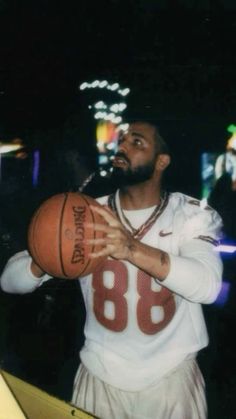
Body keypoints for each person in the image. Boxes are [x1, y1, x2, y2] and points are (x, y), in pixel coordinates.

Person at [0, 119, 223, 419]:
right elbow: (9, 282)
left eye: (137, 142)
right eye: (123, 139)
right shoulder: (87, 213)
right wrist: (46, 258)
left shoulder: (189, 214)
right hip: (100, 372)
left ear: (162, 161)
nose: (122, 146)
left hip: (171, 376)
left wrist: (131, 248)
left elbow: (208, 286)